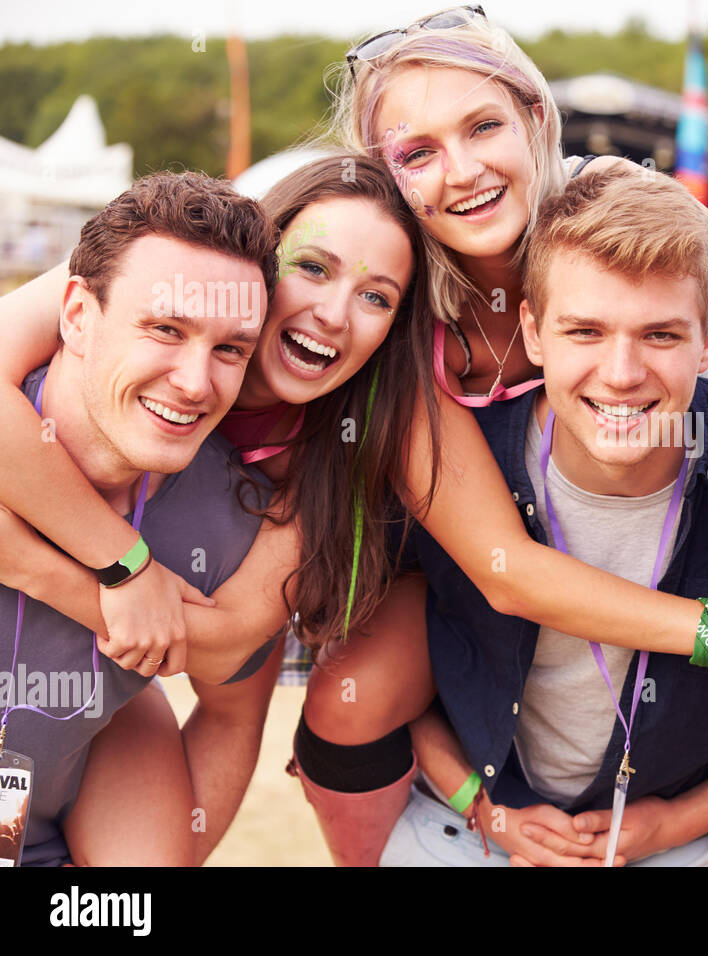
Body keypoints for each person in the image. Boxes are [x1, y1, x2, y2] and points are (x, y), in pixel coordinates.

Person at [290, 8, 708, 865]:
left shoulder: (620, 203)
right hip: (512, 604)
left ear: (534, 114)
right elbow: (504, 570)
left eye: (483, 125)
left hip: (682, 533)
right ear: (388, 177)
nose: (463, 171)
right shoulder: (405, 310)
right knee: (352, 690)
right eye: (417, 153)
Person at [365, 164, 708, 867]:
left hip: (683, 813)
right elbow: (403, 679)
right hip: (478, 815)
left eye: (660, 336)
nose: (621, 373)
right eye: (585, 331)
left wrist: (678, 820)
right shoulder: (464, 473)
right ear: (532, 330)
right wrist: (480, 805)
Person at [0, 155, 436, 864]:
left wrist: (53, 568)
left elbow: (230, 666)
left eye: (377, 296)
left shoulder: (278, 500)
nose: (331, 313)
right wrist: (124, 565)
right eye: (315, 268)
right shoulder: (151, 277)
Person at [0, 170, 282, 866]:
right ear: (75, 315)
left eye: (229, 349)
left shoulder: (231, 524)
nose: (194, 383)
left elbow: (231, 711)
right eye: (164, 328)